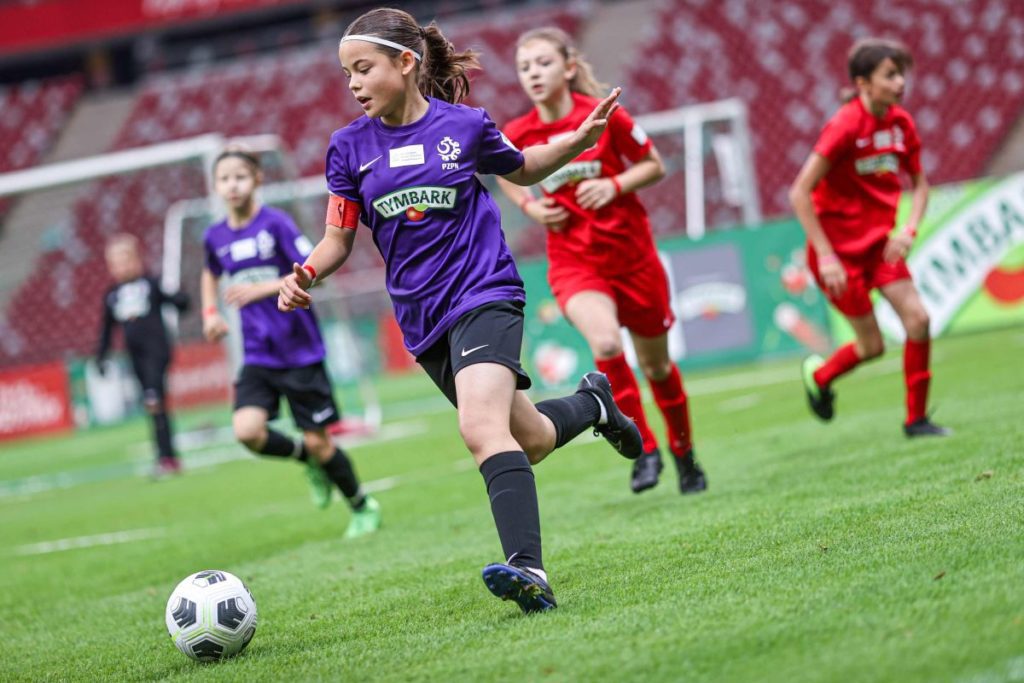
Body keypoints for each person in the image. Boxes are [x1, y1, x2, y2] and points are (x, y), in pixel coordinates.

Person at [278, 8, 643, 614]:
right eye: (347, 75)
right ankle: (594, 404)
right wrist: (306, 274)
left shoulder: (465, 126)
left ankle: (529, 569)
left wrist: (577, 142)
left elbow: (522, 167)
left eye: (363, 69)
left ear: (406, 62)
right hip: (423, 320)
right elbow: (337, 239)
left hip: (485, 292)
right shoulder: (346, 148)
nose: (355, 84)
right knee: (530, 439)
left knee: (480, 429)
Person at [496, 27, 706, 495]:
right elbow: (501, 172)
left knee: (657, 367)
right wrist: (530, 206)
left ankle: (685, 452)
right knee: (607, 344)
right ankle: (644, 449)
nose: (533, 74)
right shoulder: (518, 133)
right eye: (525, 67)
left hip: (633, 258)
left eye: (544, 63)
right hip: (575, 263)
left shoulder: (603, 116)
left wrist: (614, 185)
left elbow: (654, 164)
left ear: (569, 67)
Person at [201, 146, 382, 539]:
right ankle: (307, 460)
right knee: (247, 431)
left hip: (300, 351)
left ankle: (362, 505)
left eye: (240, 177)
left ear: (257, 180)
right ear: (215, 186)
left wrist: (264, 288)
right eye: (224, 179)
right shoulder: (215, 236)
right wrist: (210, 313)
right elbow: (210, 272)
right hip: (258, 354)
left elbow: (317, 273)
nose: (232, 185)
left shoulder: (276, 225)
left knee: (321, 443)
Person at [789, 38, 950, 437]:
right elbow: (799, 193)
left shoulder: (901, 124)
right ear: (863, 83)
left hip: (880, 248)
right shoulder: (845, 125)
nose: (900, 83)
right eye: (890, 75)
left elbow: (920, 184)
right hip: (838, 256)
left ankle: (916, 421)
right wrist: (826, 257)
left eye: (901, 74)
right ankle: (820, 377)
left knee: (918, 319)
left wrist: (909, 230)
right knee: (871, 347)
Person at [97, 233, 189, 477]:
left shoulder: (151, 284)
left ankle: (166, 457)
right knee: (153, 404)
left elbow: (177, 301)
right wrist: (101, 357)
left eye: (126, 261)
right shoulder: (112, 295)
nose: (122, 268)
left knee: (154, 398)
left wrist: (181, 297)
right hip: (135, 356)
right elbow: (106, 329)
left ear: (137, 260)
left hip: (157, 351)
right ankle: (166, 456)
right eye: (116, 263)